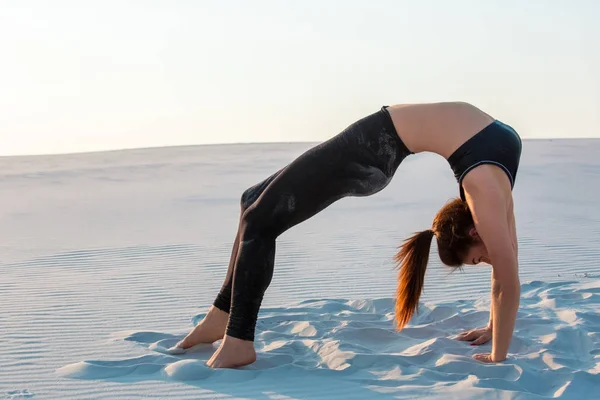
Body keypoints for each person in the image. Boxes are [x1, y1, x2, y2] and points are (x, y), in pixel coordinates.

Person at [170, 102, 523, 369]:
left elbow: (506, 278)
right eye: (479, 258)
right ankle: (220, 317)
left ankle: (238, 341)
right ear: (474, 230)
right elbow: (506, 279)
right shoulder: (488, 196)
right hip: (375, 145)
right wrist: (495, 335)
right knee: (253, 201)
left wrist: (497, 352)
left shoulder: (486, 192)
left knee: (261, 220)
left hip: (375, 147)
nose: (487, 259)